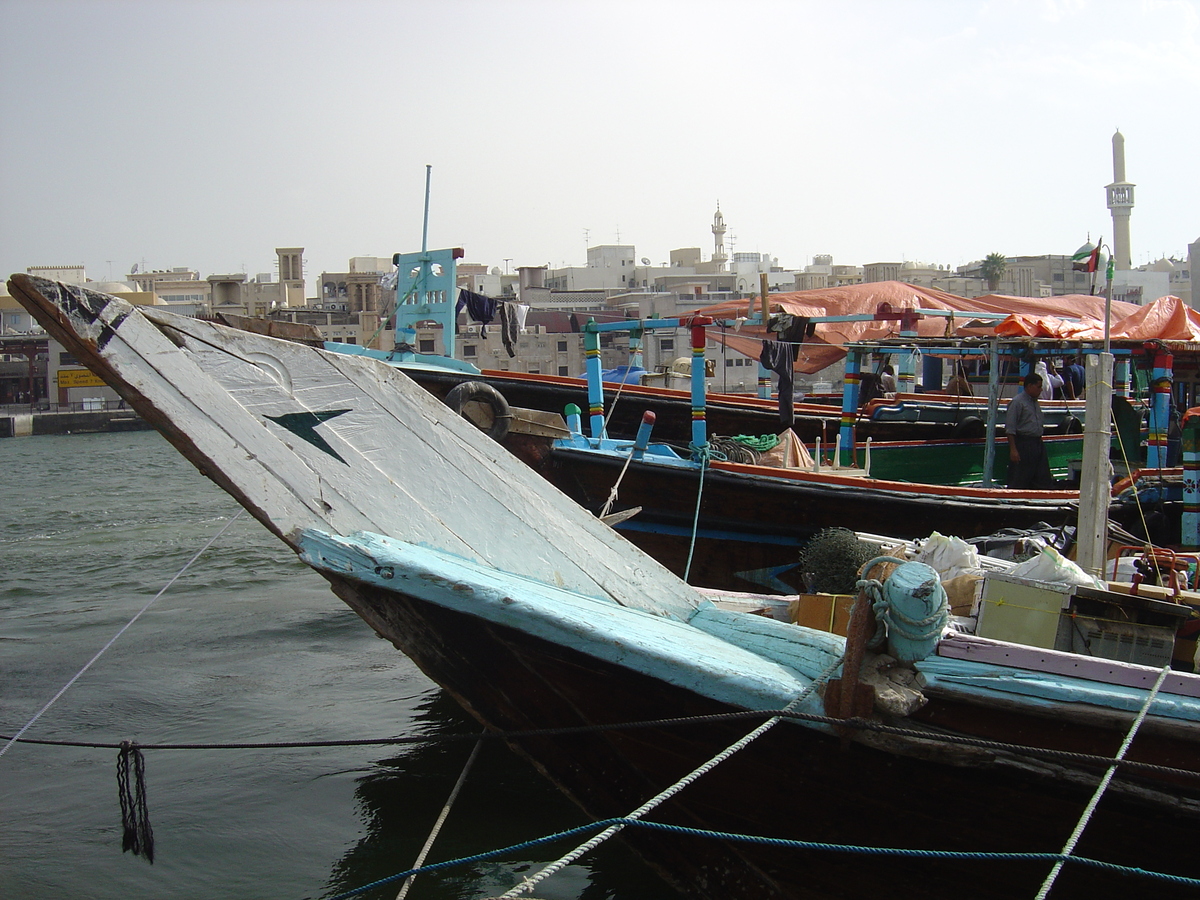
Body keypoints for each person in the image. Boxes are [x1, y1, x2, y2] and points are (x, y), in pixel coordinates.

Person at [1006, 373, 1054, 489]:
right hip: (1024, 443)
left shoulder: (1035, 403)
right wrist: (1013, 450)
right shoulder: (1017, 402)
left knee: (1041, 477)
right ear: (1029, 386)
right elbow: (1010, 429)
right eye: (1038, 387)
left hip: (1037, 443)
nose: (1040, 390)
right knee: (1021, 477)